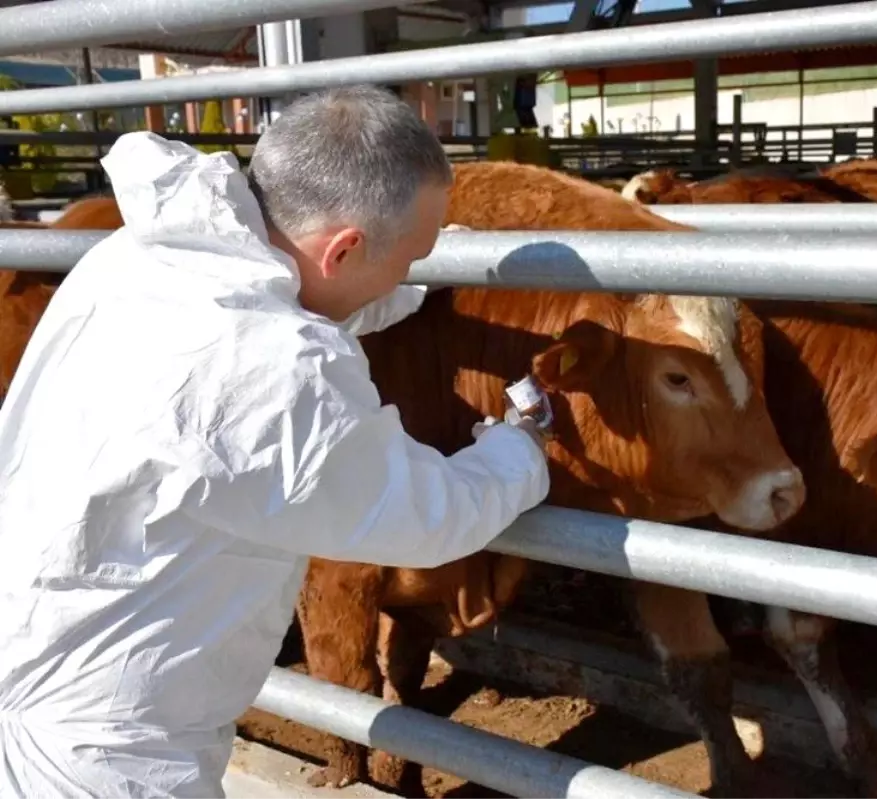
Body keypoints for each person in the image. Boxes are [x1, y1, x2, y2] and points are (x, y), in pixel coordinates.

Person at [0, 85, 551, 798]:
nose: (414, 272)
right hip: (107, 758)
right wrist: (520, 449)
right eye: (411, 258)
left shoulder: (143, 257)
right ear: (345, 248)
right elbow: (425, 513)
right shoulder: (277, 369)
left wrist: (404, 287)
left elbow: (276, 313)